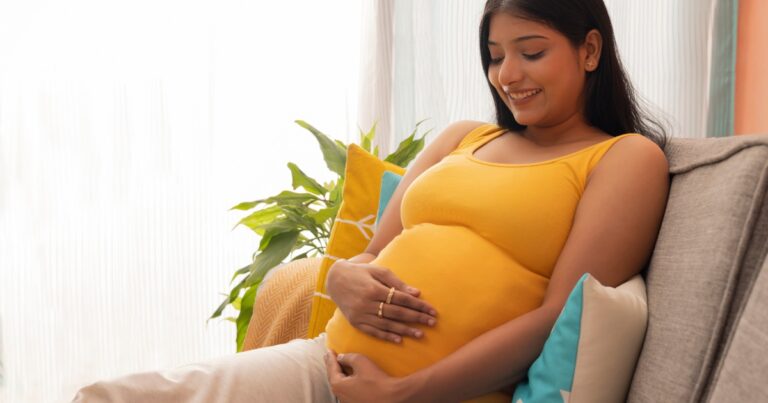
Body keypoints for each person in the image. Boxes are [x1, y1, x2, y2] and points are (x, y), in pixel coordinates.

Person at [73, 0, 670, 402]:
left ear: (590, 50)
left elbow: (558, 318)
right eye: (494, 55)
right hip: (325, 366)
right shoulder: (463, 138)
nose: (507, 74)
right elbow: (369, 255)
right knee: (109, 397)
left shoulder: (624, 159)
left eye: (531, 52)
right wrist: (339, 280)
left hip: (431, 394)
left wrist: (402, 393)